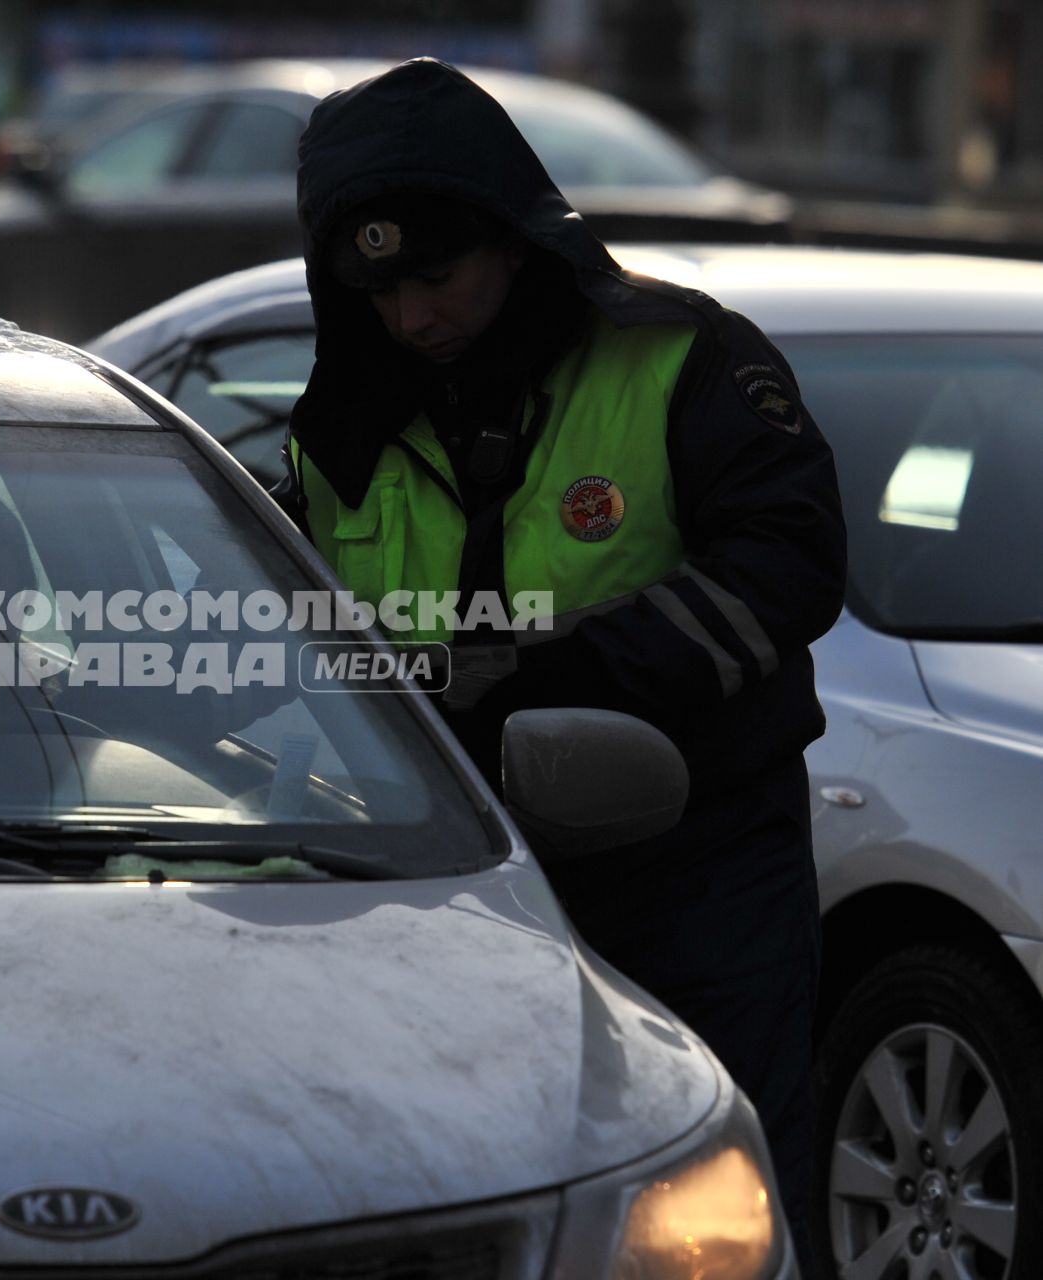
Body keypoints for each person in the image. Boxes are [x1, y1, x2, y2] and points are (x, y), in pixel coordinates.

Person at [280, 58, 846, 1269]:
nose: (410, 316)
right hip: (442, 882)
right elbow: (300, 640)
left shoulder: (684, 358)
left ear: (515, 238)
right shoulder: (340, 430)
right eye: (374, 289)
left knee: (714, 1197)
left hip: (693, 874)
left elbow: (789, 563)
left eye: (434, 275)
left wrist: (561, 674)